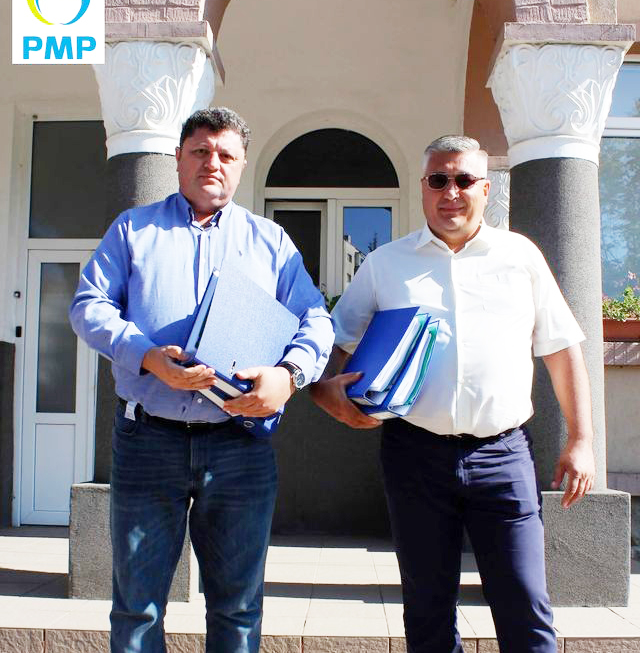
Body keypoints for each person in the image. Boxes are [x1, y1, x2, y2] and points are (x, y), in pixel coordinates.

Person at [309, 135, 595, 653]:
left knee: (525, 605)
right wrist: (327, 394)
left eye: (464, 180)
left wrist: (581, 440)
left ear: (486, 189)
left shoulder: (520, 257)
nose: (451, 192)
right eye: (439, 180)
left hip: (503, 456)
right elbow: (336, 341)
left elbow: (561, 349)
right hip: (414, 455)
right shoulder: (386, 263)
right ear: (423, 187)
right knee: (427, 609)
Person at [70, 107, 334, 653]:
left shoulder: (271, 242)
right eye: (200, 151)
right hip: (148, 440)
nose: (213, 162)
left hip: (239, 445)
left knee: (238, 607)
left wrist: (289, 376)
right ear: (178, 159)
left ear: (241, 165)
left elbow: (316, 319)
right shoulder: (133, 230)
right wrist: (147, 356)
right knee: (137, 608)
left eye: (226, 155)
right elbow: (88, 306)